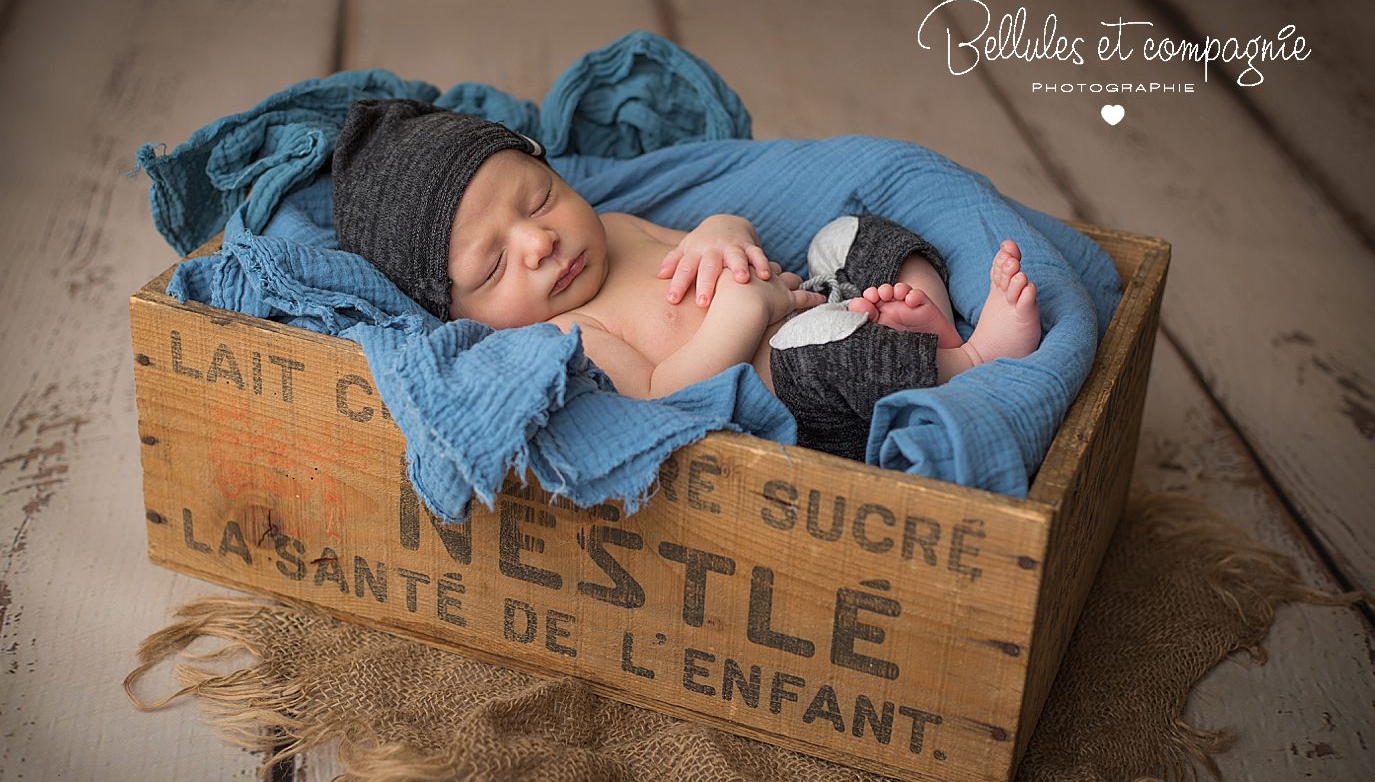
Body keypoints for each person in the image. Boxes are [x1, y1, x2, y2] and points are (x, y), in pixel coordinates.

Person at [332, 100, 1041, 461]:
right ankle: (970, 361)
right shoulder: (562, 335)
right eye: (493, 265)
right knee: (824, 354)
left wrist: (722, 233)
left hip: (820, 299)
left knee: (855, 234)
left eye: (539, 198)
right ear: (462, 313)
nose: (540, 241)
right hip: (792, 378)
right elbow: (665, 393)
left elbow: (720, 231)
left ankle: (933, 320)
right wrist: (744, 309)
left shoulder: (613, 225)